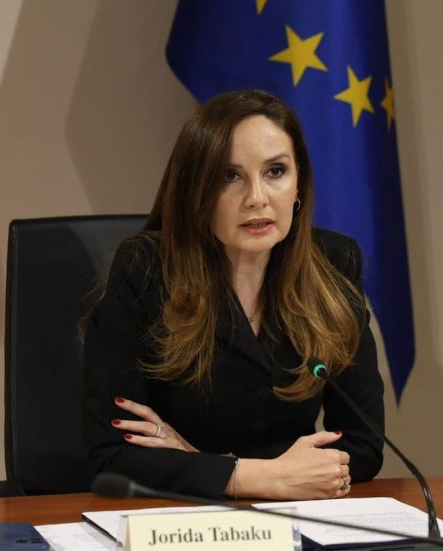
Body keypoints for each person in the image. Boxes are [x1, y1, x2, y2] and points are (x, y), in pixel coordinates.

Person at [83, 89, 385, 501]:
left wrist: (205, 464)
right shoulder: (146, 271)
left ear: (299, 183)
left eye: (275, 171)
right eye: (230, 176)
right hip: (177, 523)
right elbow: (111, 456)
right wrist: (255, 477)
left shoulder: (333, 265)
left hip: (293, 519)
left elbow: (363, 445)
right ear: (197, 192)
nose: (257, 198)